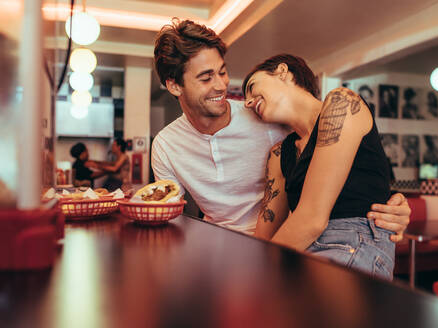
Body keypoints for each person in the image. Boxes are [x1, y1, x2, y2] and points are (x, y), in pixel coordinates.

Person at [151, 19, 410, 239]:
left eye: (222, 72)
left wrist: (393, 201)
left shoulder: (268, 118)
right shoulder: (165, 145)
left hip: (283, 243)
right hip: (219, 244)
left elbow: (342, 164)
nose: (221, 85)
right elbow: (165, 214)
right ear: (174, 86)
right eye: (206, 78)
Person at [242, 54, 395, 279]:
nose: (247, 102)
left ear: (282, 72)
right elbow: (265, 234)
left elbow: (312, 219)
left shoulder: (341, 103)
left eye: (252, 88)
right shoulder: (278, 154)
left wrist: (257, 272)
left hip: (354, 240)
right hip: (300, 248)